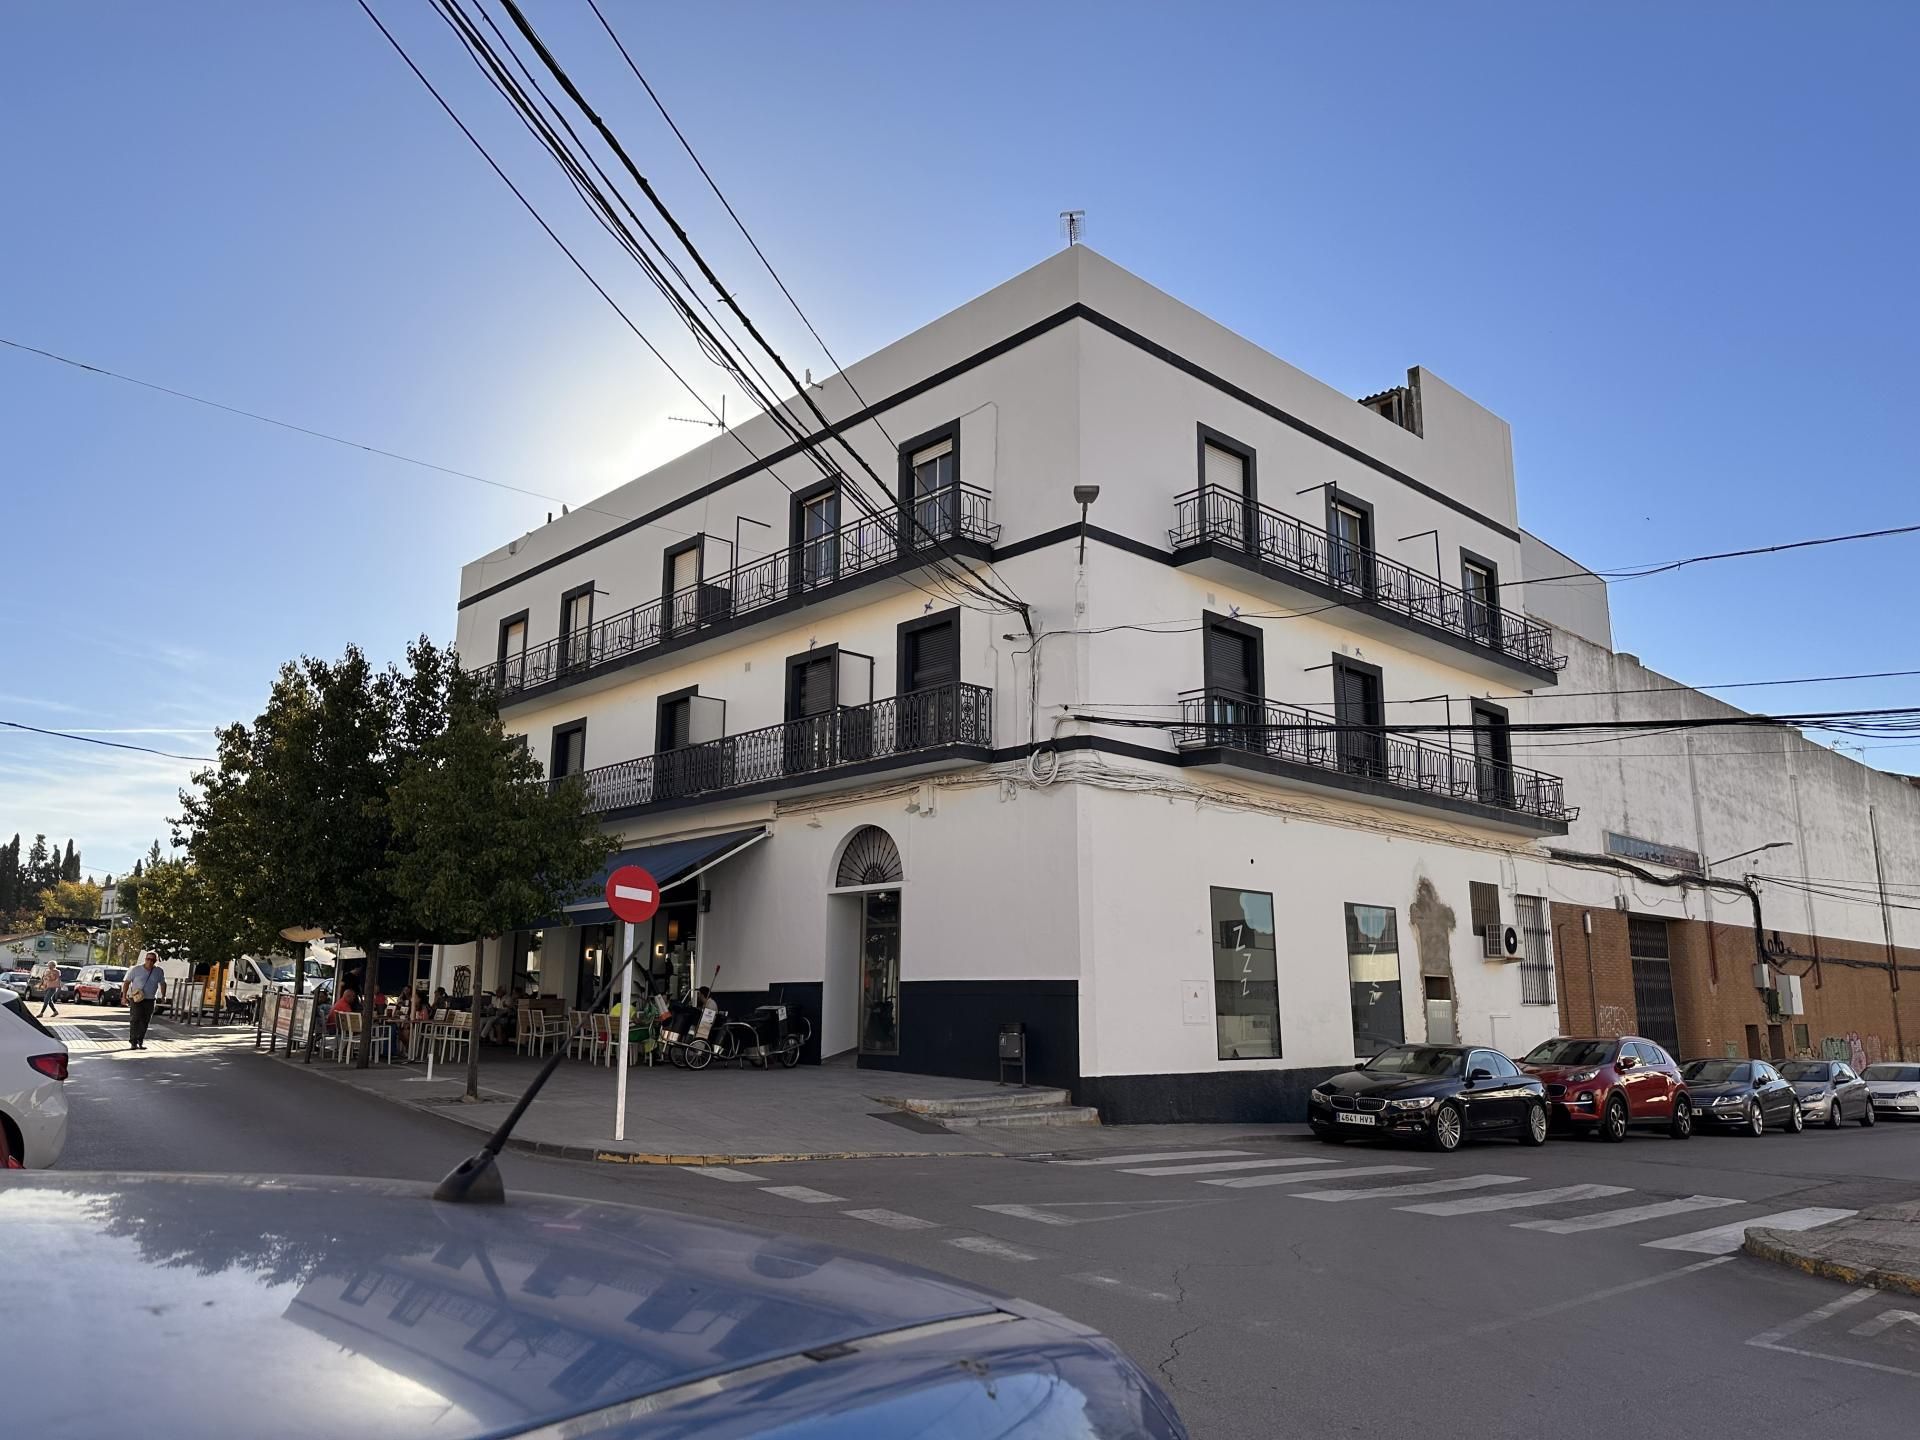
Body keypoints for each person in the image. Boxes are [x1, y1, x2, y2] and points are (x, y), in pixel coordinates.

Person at [123, 952, 166, 1049]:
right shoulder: (136, 969)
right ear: (145, 959)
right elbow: (127, 982)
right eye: (148, 959)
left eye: (153, 960)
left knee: (145, 1021)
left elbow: (163, 983)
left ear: (156, 961)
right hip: (136, 999)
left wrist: (163, 996)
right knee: (135, 1019)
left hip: (150, 1000)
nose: (150, 962)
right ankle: (133, 1042)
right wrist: (124, 996)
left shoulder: (158, 971)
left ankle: (140, 1041)